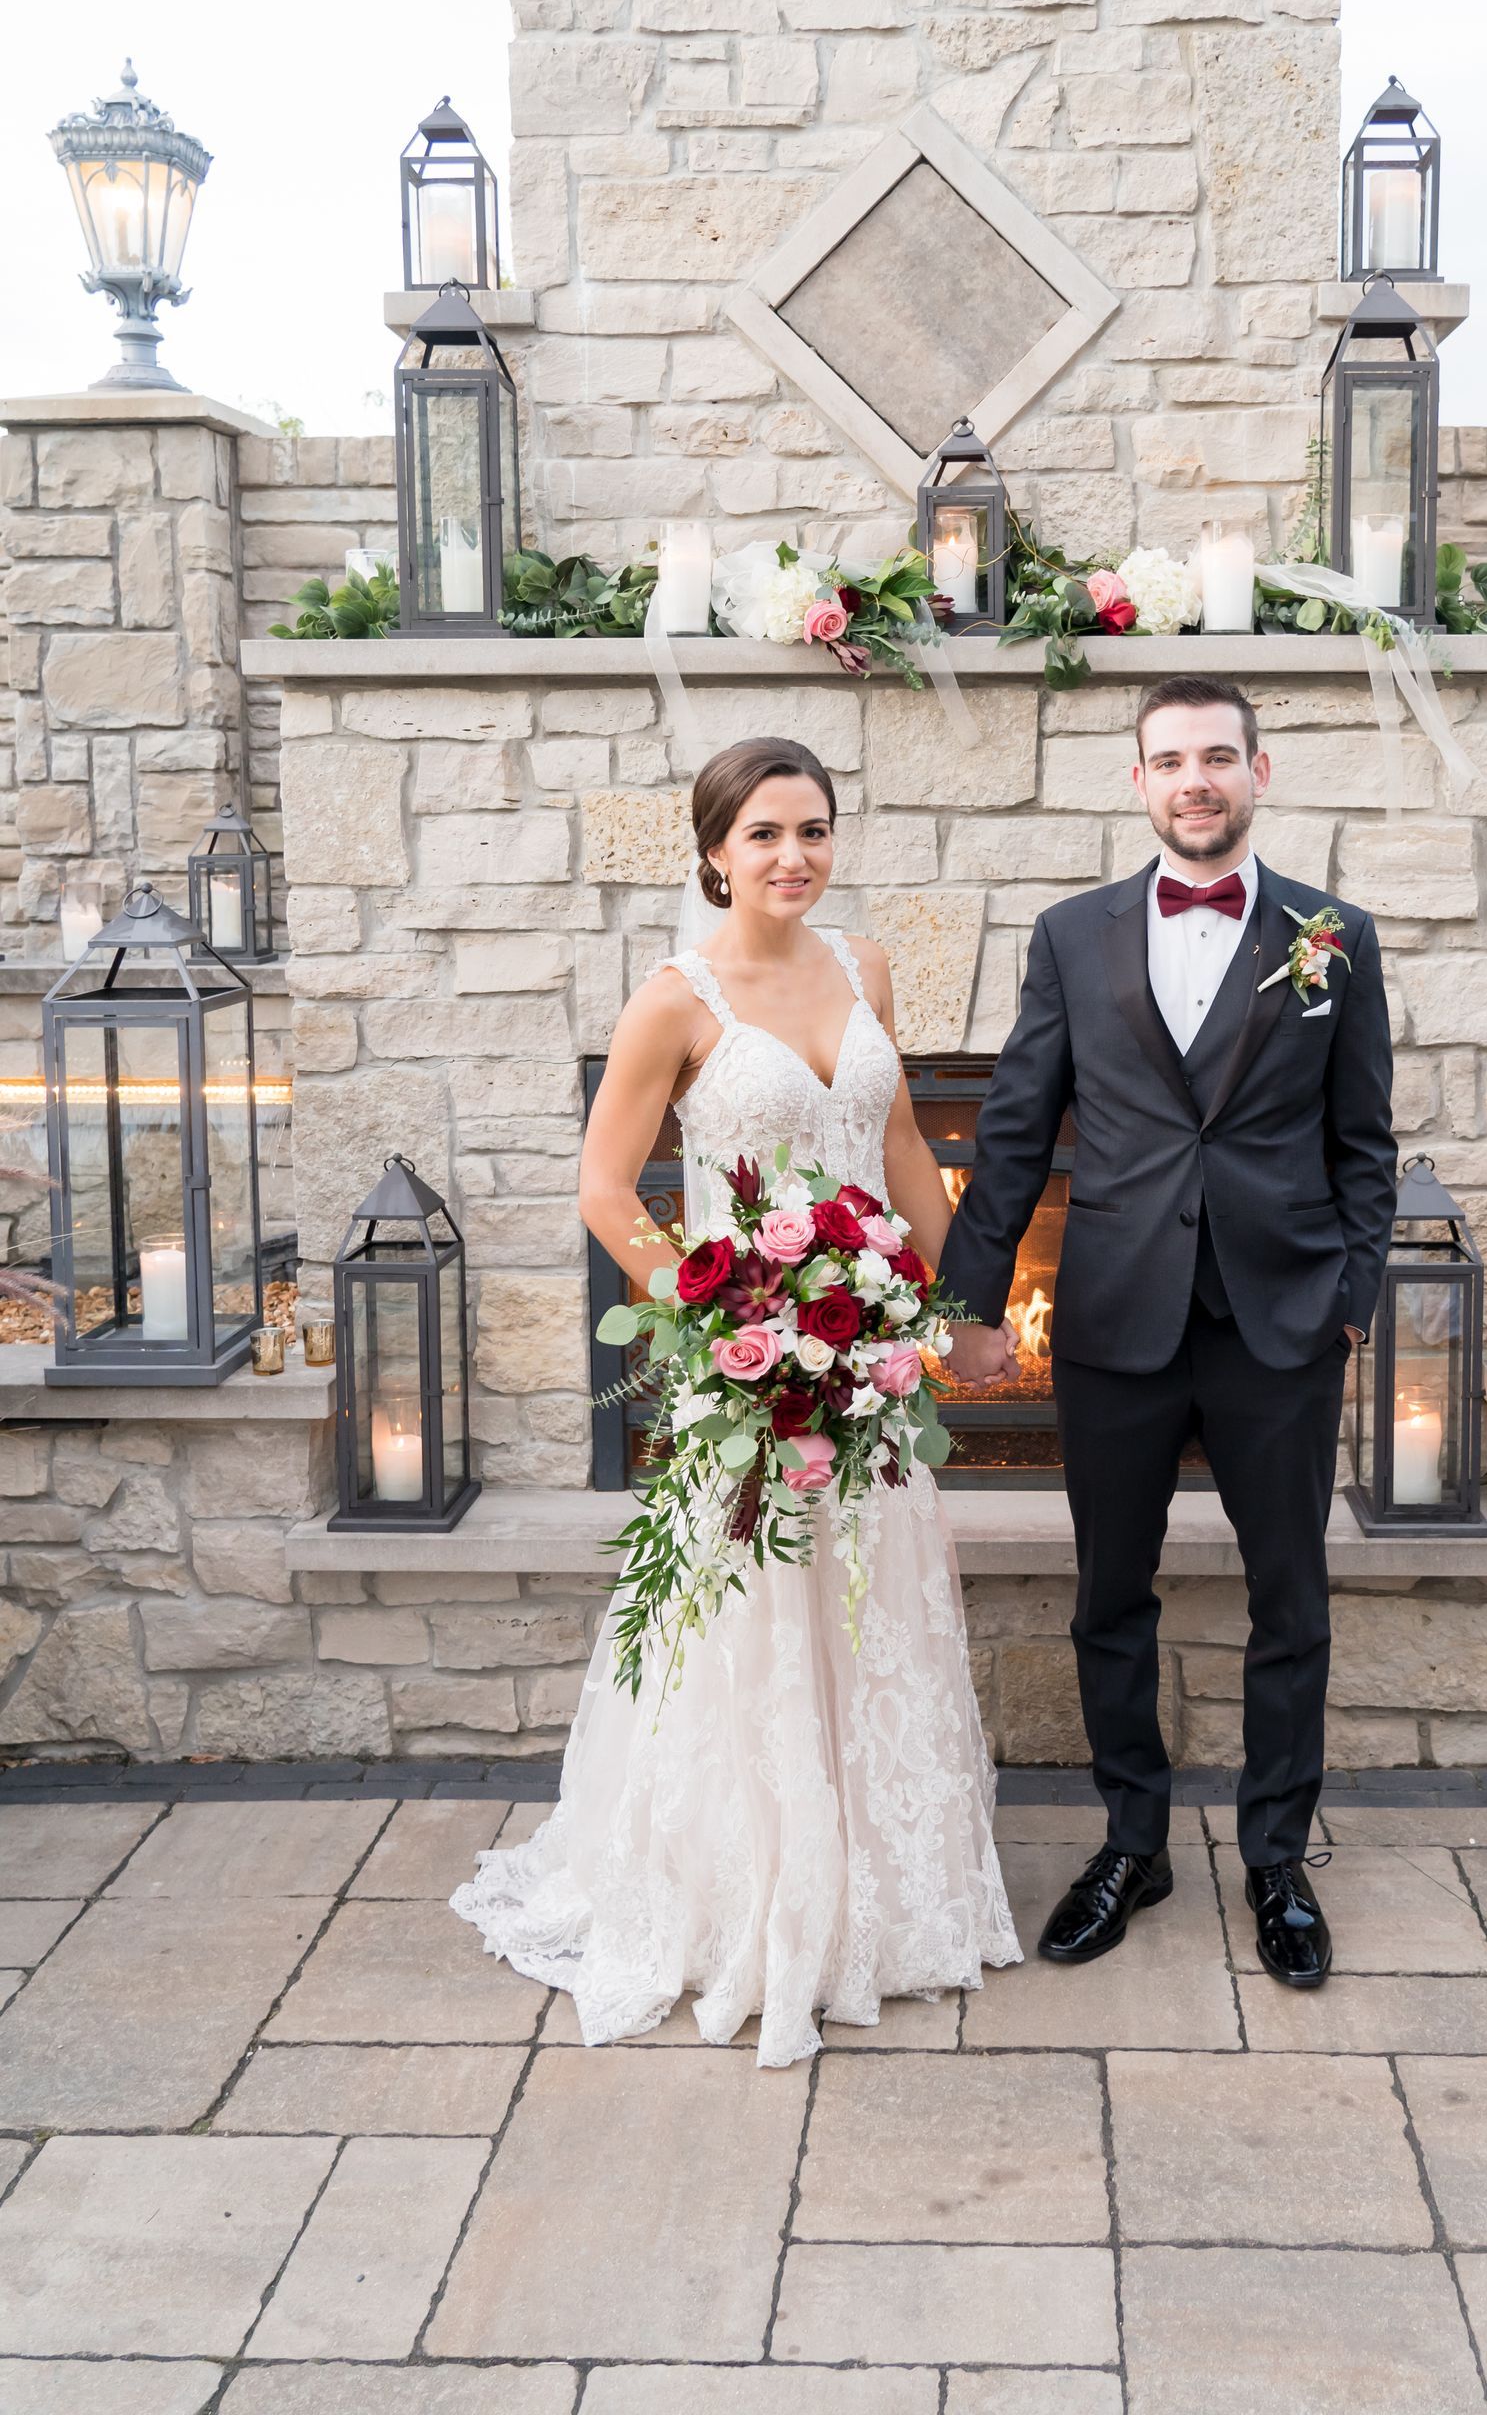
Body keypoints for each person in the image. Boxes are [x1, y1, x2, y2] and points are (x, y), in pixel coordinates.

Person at [452, 737, 1017, 2064]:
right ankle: (743, 1899)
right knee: (749, 1621)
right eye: (763, 834)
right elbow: (604, 1189)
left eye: (813, 830)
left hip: (867, 1363)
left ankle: (877, 1890)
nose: (792, 858)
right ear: (714, 852)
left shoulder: (865, 967)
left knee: (867, 1613)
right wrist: (714, 1317)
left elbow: (897, 1150)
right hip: (749, 1372)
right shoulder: (675, 999)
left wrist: (958, 1309)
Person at [940, 674, 1397, 1989]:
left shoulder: (1337, 935)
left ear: (1260, 769)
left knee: (1291, 1599)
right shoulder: (1073, 937)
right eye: (1169, 759)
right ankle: (1133, 1843)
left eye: (1217, 756)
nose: (1194, 779)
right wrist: (966, 1306)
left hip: (1280, 1324)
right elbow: (1016, 1130)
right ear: (1137, 781)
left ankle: (1275, 1858)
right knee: (1110, 1596)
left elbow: (1364, 1143)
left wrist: (1350, 1304)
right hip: (1116, 1322)